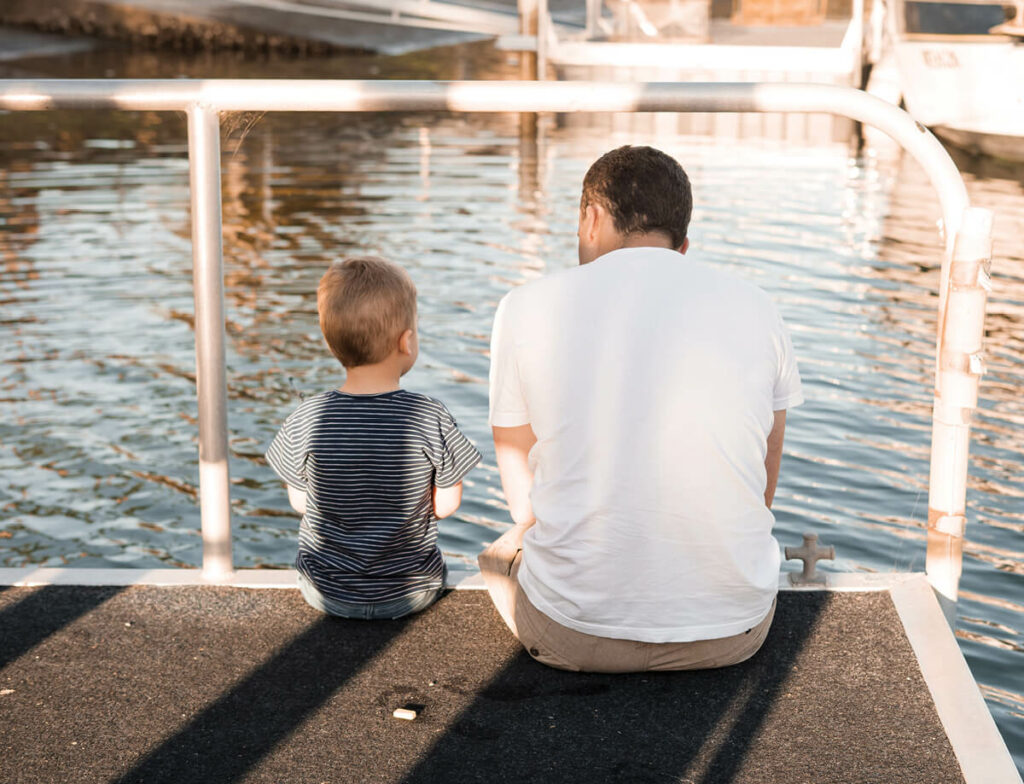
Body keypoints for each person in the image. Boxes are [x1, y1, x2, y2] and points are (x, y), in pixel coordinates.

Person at [479, 145, 803, 672]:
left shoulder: (524, 307)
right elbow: (761, 486)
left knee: (506, 547)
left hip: (574, 635)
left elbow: (523, 504)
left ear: (591, 219)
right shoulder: (758, 306)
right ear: (683, 244)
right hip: (735, 632)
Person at [267, 256, 481, 620]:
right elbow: (446, 506)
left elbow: (301, 503)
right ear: (407, 341)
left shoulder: (307, 416)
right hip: (411, 592)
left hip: (326, 591)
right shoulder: (431, 415)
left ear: (331, 342)